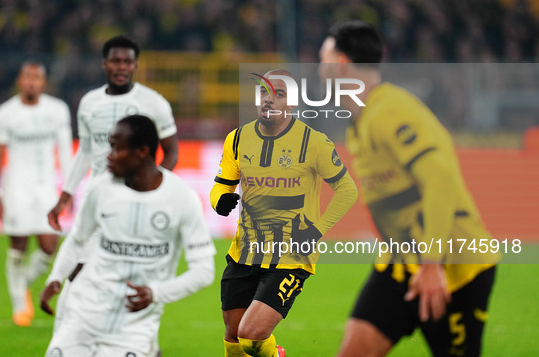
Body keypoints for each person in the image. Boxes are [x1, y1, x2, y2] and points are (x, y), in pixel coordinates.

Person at [319, 20, 500, 357]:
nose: (317, 70)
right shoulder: (362, 119)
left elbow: (440, 180)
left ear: (341, 65)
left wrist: (432, 265)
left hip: (453, 266)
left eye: (322, 61)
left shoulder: (392, 111)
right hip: (402, 263)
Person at [211, 69, 358, 357]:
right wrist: (220, 201)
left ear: (292, 103)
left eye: (278, 94)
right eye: (264, 93)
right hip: (245, 251)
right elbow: (221, 186)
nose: (269, 99)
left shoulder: (313, 142)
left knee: (251, 337)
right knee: (233, 336)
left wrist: (315, 231)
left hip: (291, 256)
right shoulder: (237, 139)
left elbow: (347, 190)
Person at [43, 115, 215, 357]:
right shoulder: (101, 188)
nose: (109, 155)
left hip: (133, 328)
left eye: (116, 148)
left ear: (142, 151)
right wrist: (57, 276)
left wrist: (156, 293)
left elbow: (204, 271)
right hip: (83, 314)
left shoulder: (182, 198)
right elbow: (78, 238)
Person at [43, 35, 179, 330]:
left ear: (135, 65)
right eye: (116, 61)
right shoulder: (90, 103)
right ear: (105, 64)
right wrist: (64, 197)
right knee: (80, 269)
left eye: (127, 61)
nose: (122, 66)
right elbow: (86, 154)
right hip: (98, 200)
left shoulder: (153, 103)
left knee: (113, 278)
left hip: (136, 204)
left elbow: (171, 151)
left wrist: (154, 190)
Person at [0, 61, 73, 327]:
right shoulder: (5, 113)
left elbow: (66, 151)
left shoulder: (57, 110)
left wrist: (68, 191)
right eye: (27, 77)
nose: (32, 82)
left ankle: (22, 284)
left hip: (46, 187)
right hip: (16, 187)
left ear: (44, 83)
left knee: (50, 247)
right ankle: (19, 305)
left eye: (37, 78)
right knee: (18, 246)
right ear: (19, 81)